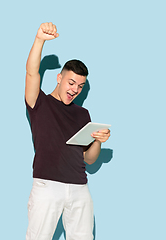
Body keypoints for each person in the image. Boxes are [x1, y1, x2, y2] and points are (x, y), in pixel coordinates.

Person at [25, 22, 110, 240]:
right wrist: (40, 40)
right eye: (71, 83)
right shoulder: (39, 102)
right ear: (59, 78)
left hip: (79, 187)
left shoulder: (83, 114)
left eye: (80, 86)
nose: (75, 90)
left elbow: (89, 159)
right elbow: (32, 72)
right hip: (47, 185)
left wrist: (98, 140)